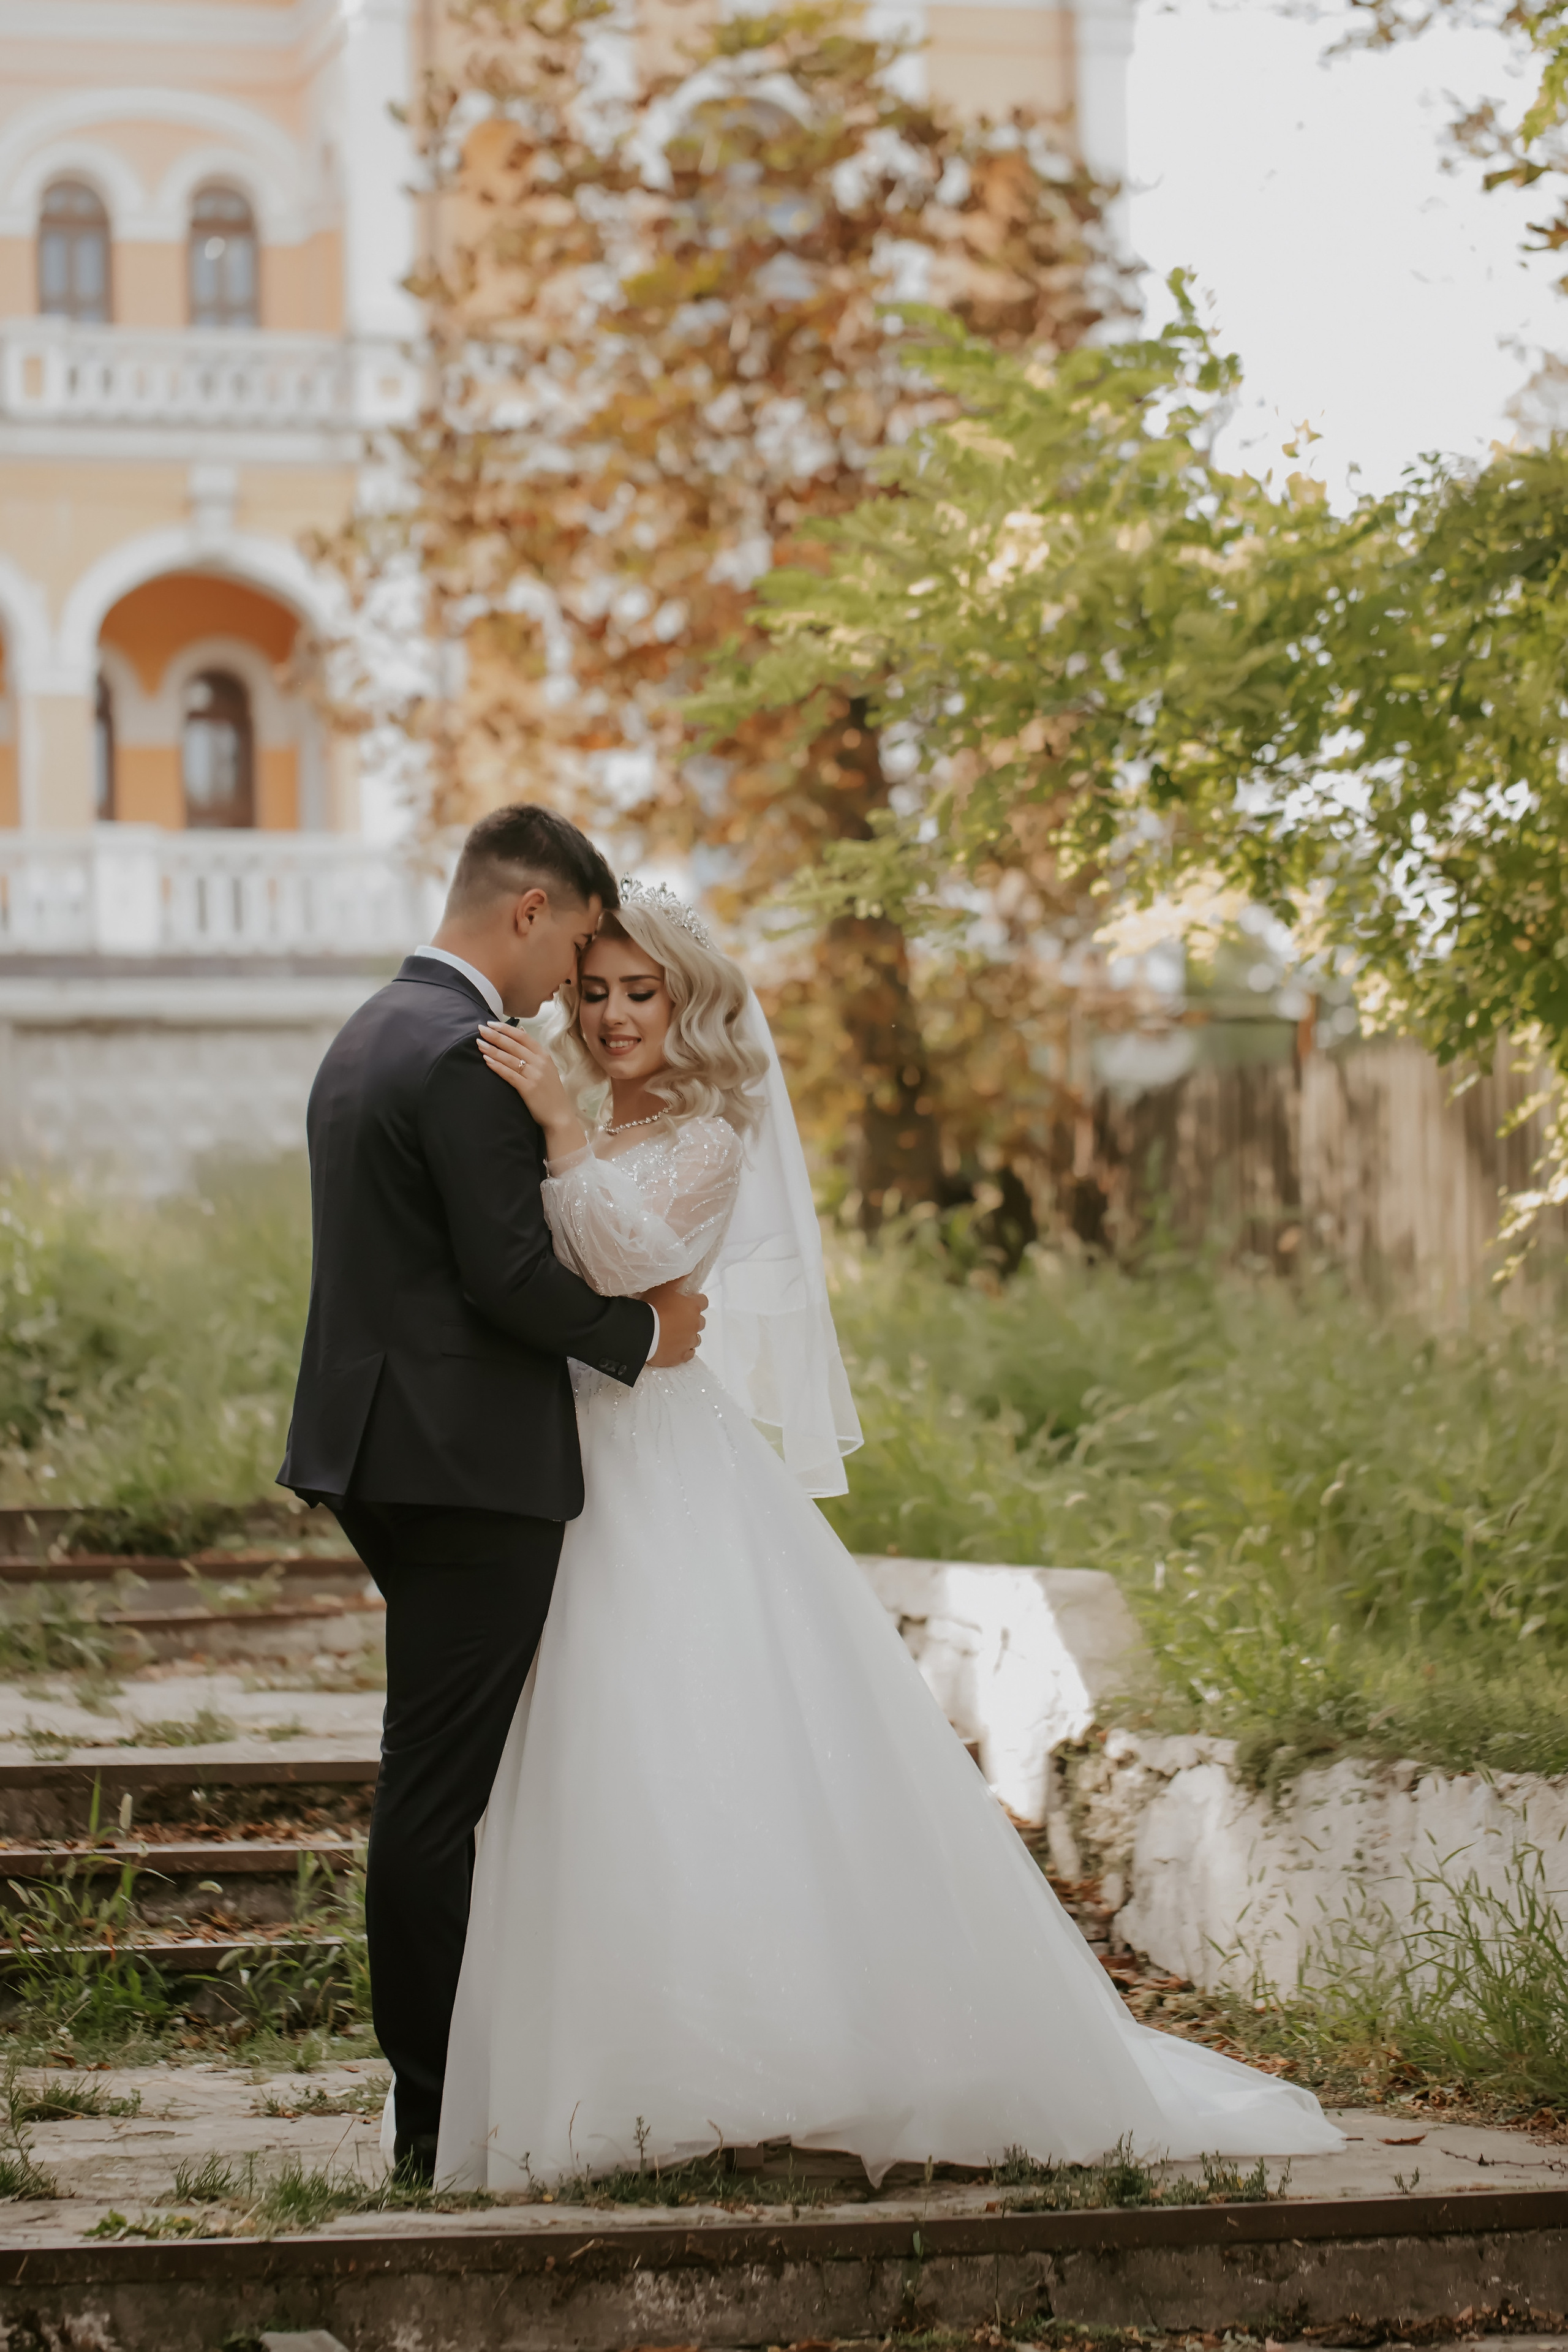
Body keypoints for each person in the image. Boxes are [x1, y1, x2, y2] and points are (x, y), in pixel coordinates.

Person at [433, 877, 1343, 2190]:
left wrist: (563, 1131)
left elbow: (629, 1264)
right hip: (558, 1459)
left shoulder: (707, 1134)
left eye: (643, 991)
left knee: (696, 1737)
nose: (617, 1013)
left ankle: (773, 2061)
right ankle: (621, 2077)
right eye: (596, 990)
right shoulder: (538, 1110)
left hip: (667, 1464)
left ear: (686, 1001)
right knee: (595, 1752)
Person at [277, 807, 706, 2185]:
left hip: (378, 1451)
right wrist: (643, 1341)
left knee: (449, 1778)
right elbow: (504, 1275)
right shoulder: (464, 1055)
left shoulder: (362, 1035)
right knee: (438, 1795)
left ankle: (476, 2083)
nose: (572, 989)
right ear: (529, 912)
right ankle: (435, 2118)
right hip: (467, 1469)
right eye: (577, 946)